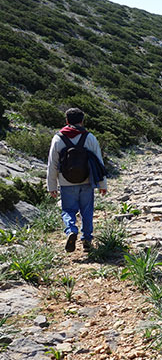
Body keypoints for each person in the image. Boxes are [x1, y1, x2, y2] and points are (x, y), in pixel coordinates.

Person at [47, 108, 107, 252]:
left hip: (66, 182)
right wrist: (102, 184)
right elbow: (99, 162)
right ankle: (87, 240)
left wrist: (52, 186)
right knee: (87, 211)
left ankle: (71, 230)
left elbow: (52, 164)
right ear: (82, 121)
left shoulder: (58, 138)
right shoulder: (90, 137)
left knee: (68, 210)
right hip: (87, 181)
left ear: (67, 120)